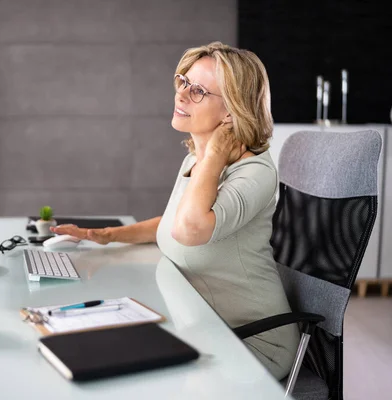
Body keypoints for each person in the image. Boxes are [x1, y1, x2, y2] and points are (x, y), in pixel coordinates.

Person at [51, 42, 299, 379]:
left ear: (231, 110)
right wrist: (103, 236)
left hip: (251, 345)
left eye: (198, 90)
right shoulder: (195, 162)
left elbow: (189, 230)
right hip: (201, 322)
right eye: (183, 82)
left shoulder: (254, 172)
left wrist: (213, 156)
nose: (181, 95)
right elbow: (172, 224)